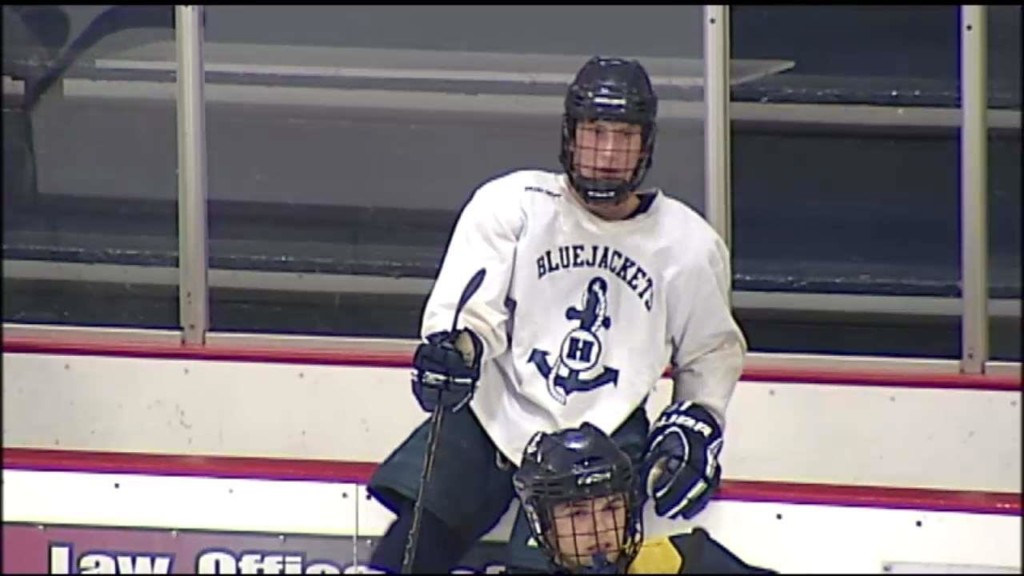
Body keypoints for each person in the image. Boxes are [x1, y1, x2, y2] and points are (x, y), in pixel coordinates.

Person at [366, 55, 747, 573]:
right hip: (492, 415)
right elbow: (472, 314)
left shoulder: (688, 244)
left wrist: (698, 417)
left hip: (604, 433)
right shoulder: (512, 204)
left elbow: (711, 351)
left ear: (646, 144)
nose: (607, 154)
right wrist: (456, 352)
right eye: (595, 133)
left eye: (624, 136)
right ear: (570, 135)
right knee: (403, 557)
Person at [512, 423, 774, 574]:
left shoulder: (680, 562)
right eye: (577, 514)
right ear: (544, 524)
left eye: (611, 508)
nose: (600, 528)